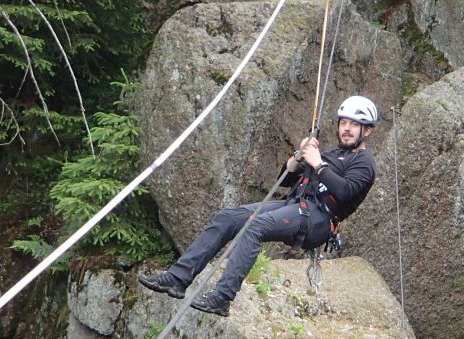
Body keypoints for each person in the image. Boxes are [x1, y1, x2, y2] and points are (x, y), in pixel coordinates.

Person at [138, 95, 378, 317]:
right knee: (228, 218)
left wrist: (318, 164)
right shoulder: (329, 154)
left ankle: (222, 297)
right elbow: (284, 181)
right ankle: (178, 278)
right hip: (295, 204)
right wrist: (298, 158)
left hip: (317, 219)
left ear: (366, 131)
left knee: (256, 225)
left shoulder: (364, 162)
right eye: (344, 123)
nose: (346, 129)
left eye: (354, 125)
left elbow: (345, 191)